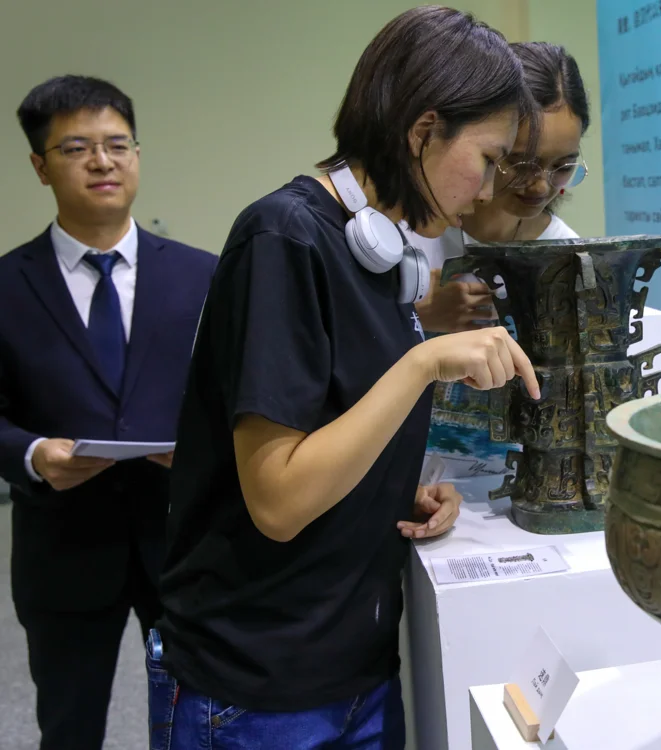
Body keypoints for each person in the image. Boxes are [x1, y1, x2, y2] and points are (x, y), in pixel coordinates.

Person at [148, 7, 541, 749]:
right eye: (488, 160)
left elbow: (332, 430)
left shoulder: (381, 255)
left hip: (355, 671)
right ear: (423, 131)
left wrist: (393, 488)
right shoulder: (283, 238)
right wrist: (424, 361)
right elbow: (278, 500)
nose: (490, 190)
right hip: (257, 687)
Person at [0, 75, 217, 750]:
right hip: (62, 550)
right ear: (40, 165)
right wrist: (31, 454)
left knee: (201, 721)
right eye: (76, 148)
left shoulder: (203, 274)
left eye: (118, 145)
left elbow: (236, 392)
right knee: (69, 727)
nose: (102, 161)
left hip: (183, 543)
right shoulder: (6, 285)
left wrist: (204, 446)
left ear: (137, 155)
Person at [409, 41, 591, 334]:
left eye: (563, 166)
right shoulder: (408, 231)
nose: (540, 186)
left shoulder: (567, 255)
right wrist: (412, 313)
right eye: (521, 163)